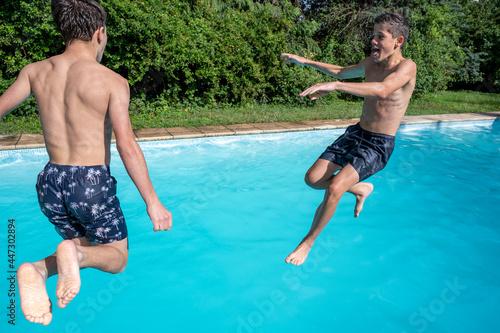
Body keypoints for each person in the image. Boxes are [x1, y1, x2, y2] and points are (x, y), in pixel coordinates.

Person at [0, 0, 172, 325]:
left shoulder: (35, 71)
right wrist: (153, 202)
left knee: (85, 242)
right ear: (100, 33)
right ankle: (72, 255)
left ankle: (37, 270)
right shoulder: (111, 81)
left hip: (50, 183)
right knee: (117, 257)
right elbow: (126, 145)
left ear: (62, 30)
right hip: (90, 183)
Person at [281, 12, 416, 266]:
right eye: (373, 35)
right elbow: (341, 72)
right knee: (312, 179)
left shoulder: (406, 67)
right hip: (356, 133)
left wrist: (334, 86)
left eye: (380, 37)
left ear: (398, 41)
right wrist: (303, 61)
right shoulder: (371, 64)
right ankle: (360, 189)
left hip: (378, 144)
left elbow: (382, 89)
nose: (373, 41)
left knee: (333, 188)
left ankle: (307, 243)